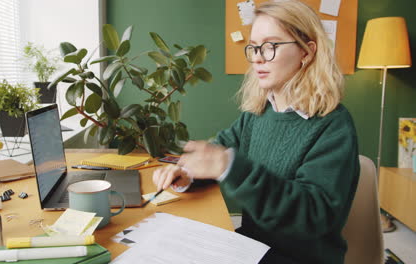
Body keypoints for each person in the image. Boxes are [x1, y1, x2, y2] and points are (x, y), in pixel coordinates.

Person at [152, 1, 360, 263]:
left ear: (307, 52)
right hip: (252, 247)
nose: (258, 57)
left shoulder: (333, 126)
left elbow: (312, 215)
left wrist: (229, 166)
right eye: (254, 47)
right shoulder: (257, 114)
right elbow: (221, 150)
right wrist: (189, 172)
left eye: (271, 46)